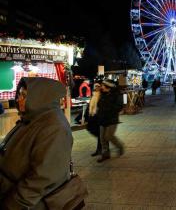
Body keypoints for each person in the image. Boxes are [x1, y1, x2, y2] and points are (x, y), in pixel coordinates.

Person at [0, 77, 75, 209]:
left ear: (41, 97)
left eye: (23, 95)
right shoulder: (33, 118)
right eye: (19, 94)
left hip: (28, 204)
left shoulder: (54, 127)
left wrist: (12, 204)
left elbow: (43, 179)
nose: (18, 99)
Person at [96, 80, 125, 162]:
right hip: (102, 119)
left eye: (103, 85)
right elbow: (99, 104)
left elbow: (119, 106)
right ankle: (105, 154)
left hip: (112, 119)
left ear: (108, 87)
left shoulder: (117, 94)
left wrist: (108, 109)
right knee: (102, 138)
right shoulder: (102, 94)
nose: (101, 87)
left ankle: (120, 146)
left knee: (109, 136)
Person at [86, 82, 105, 156]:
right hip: (93, 116)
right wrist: (89, 113)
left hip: (99, 116)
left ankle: (100, 149)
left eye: (98, 86)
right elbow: (91, 105)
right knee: (91, 129)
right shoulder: (94, 94)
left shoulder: (102, 95)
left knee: (100, 134)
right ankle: (100, 148)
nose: (96, 87)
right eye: (95, 86)